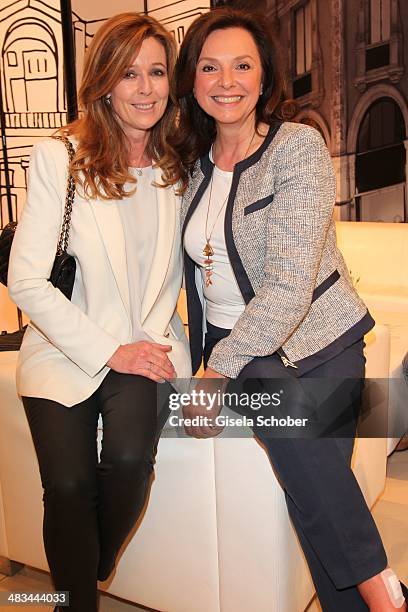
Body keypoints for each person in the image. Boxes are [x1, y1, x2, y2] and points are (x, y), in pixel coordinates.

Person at [175, 7, 407, 611]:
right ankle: (387, 593)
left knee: (309, 477)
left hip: (320, 338)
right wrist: (215, 354)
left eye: (243, 65)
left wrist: (213, 369)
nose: (228, 81)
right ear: (193, 81)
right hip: (248, 352)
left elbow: (290, 286)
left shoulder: (296, 147)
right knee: (302, 443)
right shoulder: (188, 170)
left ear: (264, 75)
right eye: (210, 67)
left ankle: (376, 594)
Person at [8, 12, 191, 612]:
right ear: (104, 82)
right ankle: (75, 598)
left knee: (132, 462)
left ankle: (84, 568)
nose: (145, 89)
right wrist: (109, 349)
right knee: (67, 486)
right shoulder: (61, 155)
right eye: (129, 73)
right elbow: (27, 280)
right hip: (67, 346)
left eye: (157, 72)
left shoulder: (177, 165)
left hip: (143, 347)